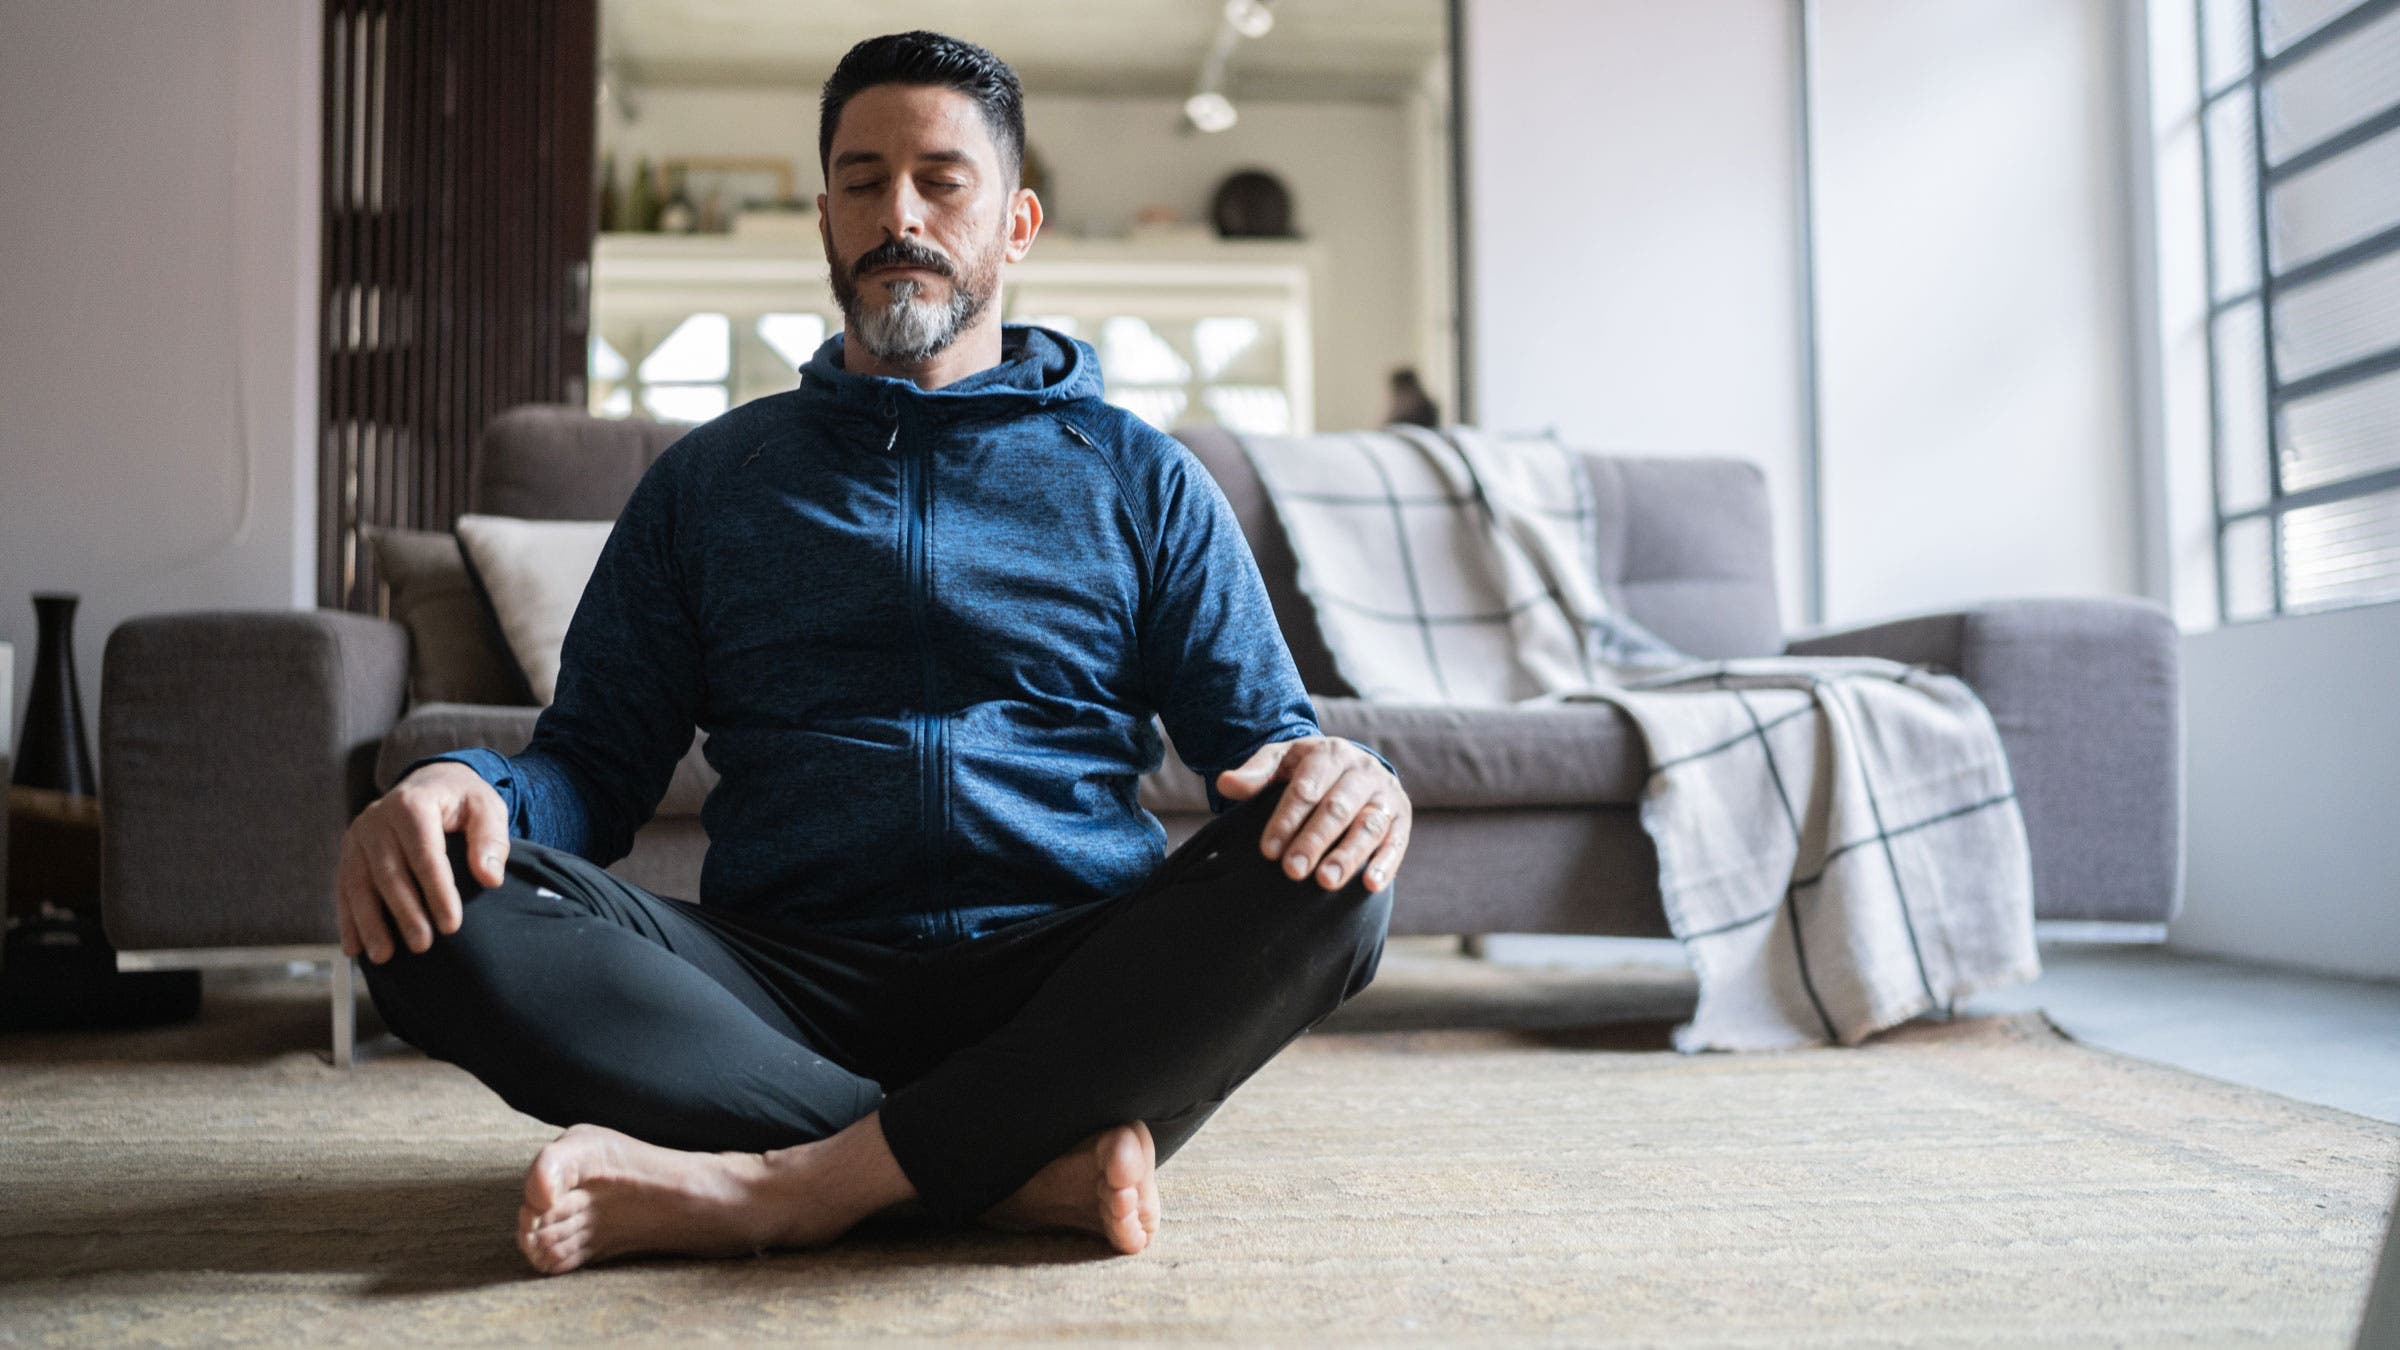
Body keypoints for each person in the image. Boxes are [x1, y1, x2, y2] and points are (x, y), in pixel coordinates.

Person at [341, 31, 1413, 1277]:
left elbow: (1264, 749)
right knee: (424, 908)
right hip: (778, 979)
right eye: (862, 181)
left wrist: (1343, 775)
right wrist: (466, 789)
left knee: (1342, 873)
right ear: (824, 217)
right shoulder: (711, 484)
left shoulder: (1141, 480)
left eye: (940, 181)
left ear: (1015, 224)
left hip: (1060, 969)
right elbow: (592, 766)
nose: (897, 214)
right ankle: (998, 1171)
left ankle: (791, 1184)